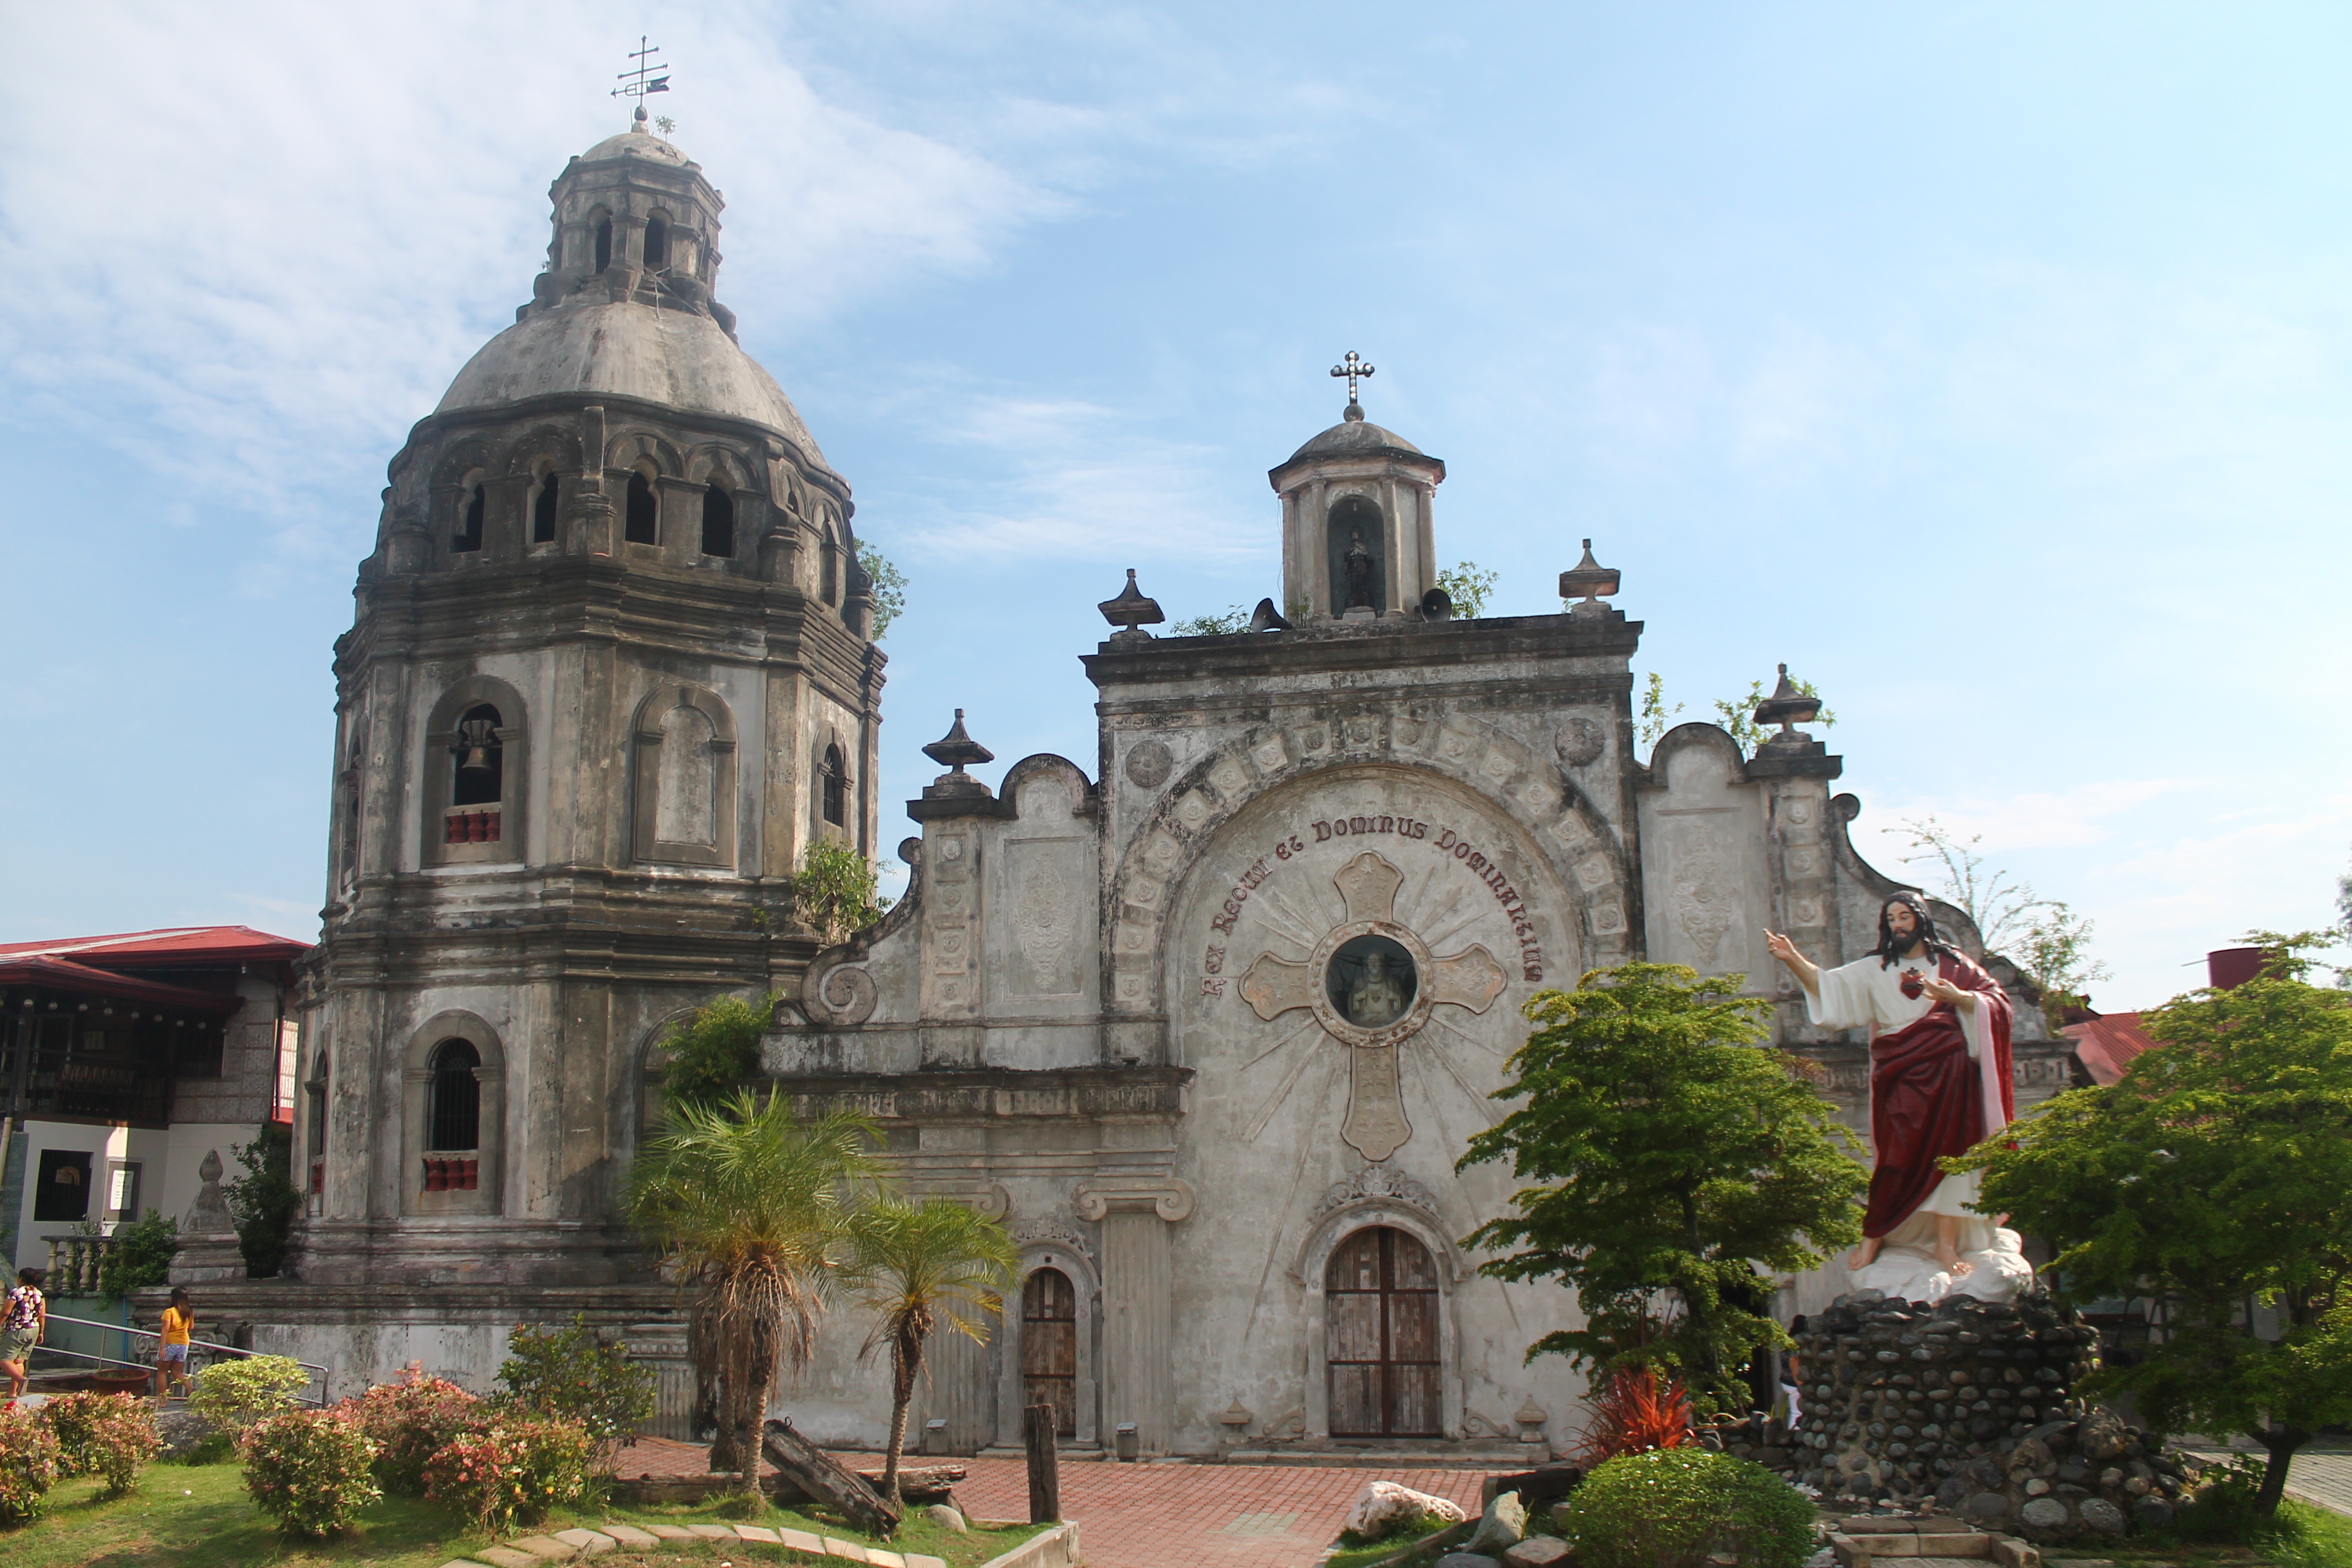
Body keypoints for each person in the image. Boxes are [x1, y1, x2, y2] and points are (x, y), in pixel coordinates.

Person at [1765, 891, 2013, 1276]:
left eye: (1904, 917)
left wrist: (1962, 999)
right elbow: (1830, 987)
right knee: (1895, 1161)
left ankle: (1946, 1246)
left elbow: (1997, 1002)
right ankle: (1875, 1235)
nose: (1898, 925)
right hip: (1902, 1076)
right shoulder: (1875, 968)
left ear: (1921, 920)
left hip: (1952, 1076)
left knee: (1953, 1161)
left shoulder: (1954, 965)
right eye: (1891, 919)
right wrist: (1792, 959)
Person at [1, 1267, 46, 1404]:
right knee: (19, 1361)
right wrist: (41, 1332)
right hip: (33, 1329)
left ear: (20, 1279)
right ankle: (13, 1391)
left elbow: (6, 1312)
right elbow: (42, 1315)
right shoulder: (39, 1294)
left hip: (17, 1329)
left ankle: (21, 1380)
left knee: (4, 1360)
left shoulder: (17, 1293)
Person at [154, 1286, 194, 1407]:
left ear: (173, 1298)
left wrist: (162, 1349)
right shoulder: (189, 1312)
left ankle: (163, 1400)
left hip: (170, 1344)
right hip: (183, 1344)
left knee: (162, 1372)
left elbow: (165, 1330)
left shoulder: (169, 1312)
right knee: (177, 1372)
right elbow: (191, 1327)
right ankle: (190, 1388)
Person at [1347, 950, 1407, 1027]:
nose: (1374, 965)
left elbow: (1401, 1010)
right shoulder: (1359, 985)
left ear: (1381, 965)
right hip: (1365, 1024)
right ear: (1367, 965)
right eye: (1370, 962)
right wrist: (1356, 1001)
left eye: (1377, 961)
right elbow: (1354, 1012)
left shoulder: (1392, 984)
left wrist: (1396, 999)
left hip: (1388, 1024)